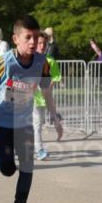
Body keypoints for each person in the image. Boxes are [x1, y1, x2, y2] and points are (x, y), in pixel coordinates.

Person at [0, 16, 64, 203]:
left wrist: (55, 117)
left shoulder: (41, 62)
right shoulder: (4, 62)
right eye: (27, 37)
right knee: (7, 169)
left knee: (27, 166)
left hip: (23, 120)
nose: (32, 42)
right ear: (16, 39)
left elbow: (45, 90)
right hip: (0, 119)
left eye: (35, 37)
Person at [32, 30, 62, 161]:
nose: (42, 46)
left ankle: (38, 150)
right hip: (24, 97)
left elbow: (52, 84)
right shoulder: (28, 59)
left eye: (44, 43)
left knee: (37, 125)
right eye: (39, 43)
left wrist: (55, 117)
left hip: (40, 99)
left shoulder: (50, 61)